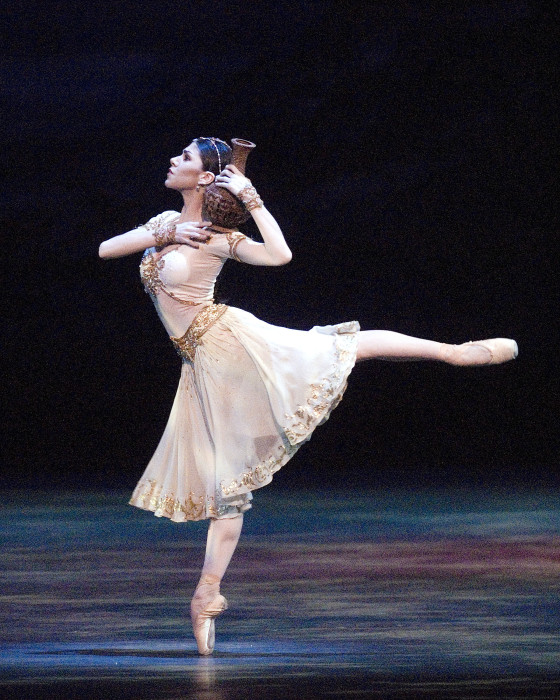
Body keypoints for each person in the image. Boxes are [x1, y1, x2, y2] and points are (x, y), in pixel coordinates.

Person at [99, 136, 518, 655]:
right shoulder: (169, 222)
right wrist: (164, 230)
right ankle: (207, 595)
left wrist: (251, 198)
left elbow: (279, 254)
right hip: (201, 363)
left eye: (184, 157)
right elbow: (105, 249)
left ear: (206, 177)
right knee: (225, 482)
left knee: (342, 348)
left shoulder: (216, 235)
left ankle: (456, 353)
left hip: (229, 342)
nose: (172, 159)